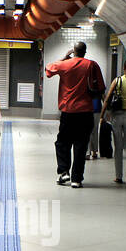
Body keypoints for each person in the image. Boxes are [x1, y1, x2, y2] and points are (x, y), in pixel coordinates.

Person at [45, 40, 104, 188]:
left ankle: (64, 171)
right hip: (86, 112)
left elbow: (48, 70)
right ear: (85, 51)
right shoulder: (92, 65)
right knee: (81, 145)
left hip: (68, 111)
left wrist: (64, 58)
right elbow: (101, 87)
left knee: (62, 143)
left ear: (74, 51)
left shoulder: (65, 64)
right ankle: (76, 179)